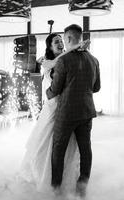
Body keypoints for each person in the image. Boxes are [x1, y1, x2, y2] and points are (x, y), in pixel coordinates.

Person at [20, 32, 90, 197]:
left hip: (69, 108)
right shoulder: (47, 62)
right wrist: (74, 47)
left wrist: (79, 51)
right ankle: (46, 179)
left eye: (61, 41)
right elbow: (56, 62)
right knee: (47, 143)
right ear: (50, 47)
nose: (60, 44)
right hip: (52, 107)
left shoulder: (68, 59)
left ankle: (67, 179)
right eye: (56, 42)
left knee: (68, 145)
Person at [46, 24, 101, 197]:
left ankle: (56, 188)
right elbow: (97, 87)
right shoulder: (94, 60)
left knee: (58, 150)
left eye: (64, 39)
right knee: (86, 149)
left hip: (67, 114)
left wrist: (47, 92)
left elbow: (55, 90)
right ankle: (82, 185)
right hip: (86, 112)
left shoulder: (63, 60)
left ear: (69, 38)